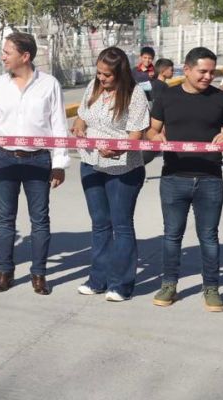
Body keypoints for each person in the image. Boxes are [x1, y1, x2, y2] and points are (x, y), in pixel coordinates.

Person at [145, 46, 223, 312]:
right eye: (202, 71)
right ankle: (169, 285)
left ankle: (211, 287)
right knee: (171, 236)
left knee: (208, 237)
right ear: (186, 70)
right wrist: (156, 138)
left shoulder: (221, 99)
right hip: (174, 177)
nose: (208, 76)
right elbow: (152, 130)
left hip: (210, 178)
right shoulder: (167, 96)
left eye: (212, 72)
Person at [0, 31, 69, 296]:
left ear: (25, 56)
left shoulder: (49, 84)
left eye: (8, 52)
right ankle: (5, 271)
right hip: (5, 159)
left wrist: (59, 163)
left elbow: (58, 126)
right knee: (5, 219)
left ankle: (39, 274)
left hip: (37, 160)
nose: (3, 56)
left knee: (39, 220)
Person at [70, 47, 150, 302]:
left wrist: (115, 150)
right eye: (99, 73)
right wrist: (80, 128)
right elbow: (82, 117)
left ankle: (122, 284)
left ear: (120, 73)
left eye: (107, 75)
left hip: (123, 168)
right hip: (91, 163)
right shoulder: (93, 88)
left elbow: (137, 134)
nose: (102, 78)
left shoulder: (134, 94)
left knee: (121, 225)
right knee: (99, 225)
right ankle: (98, 280)